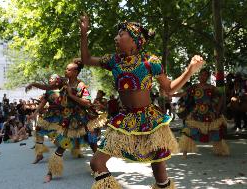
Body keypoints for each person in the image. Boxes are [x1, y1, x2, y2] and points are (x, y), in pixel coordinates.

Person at [79, 14, 205, 188]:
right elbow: (86, 60)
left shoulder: (149, 62)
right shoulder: (113, 61)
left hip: (150, 121)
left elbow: (169, 88)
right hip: (124, 120)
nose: (116, 38)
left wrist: (189, 71)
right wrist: (84, 33)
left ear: (135, 41)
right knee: (96, 163)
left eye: (121, 34)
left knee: (159, 171)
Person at [27, 63, 103, 183]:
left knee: (93, 144)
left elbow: (87, 103)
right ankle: (50, 172)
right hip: (69, 121)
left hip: (83, 121)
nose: (65, 71)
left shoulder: (81, 85)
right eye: (65, 69)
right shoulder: (63, 82)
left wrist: (71, 96)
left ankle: (101, 170)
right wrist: (33, 84)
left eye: (68, 69)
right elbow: (47, 87)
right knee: (62, 145)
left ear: (76, 72)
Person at [178, 68, 230, 159]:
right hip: (197, 113)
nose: (203, 76)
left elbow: (221, 96)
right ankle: (184, 152)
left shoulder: (211, 88)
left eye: (205, 75)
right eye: (201, 75)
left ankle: (220, 150)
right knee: (188, 130)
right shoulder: (194, 87)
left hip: (210, 113)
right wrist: (170, 94)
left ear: (208, 77)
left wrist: (217, 109)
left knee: (216, 131)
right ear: (199, 76)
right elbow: (183, 94)